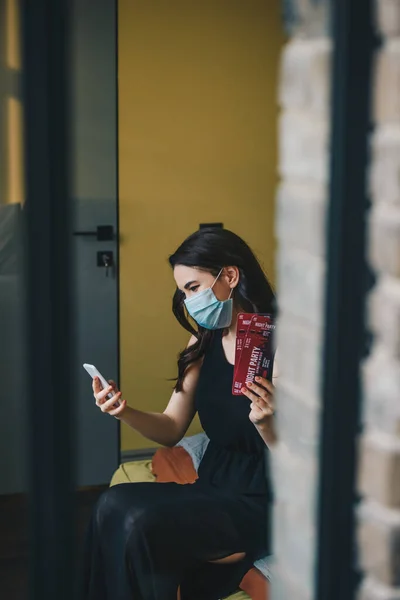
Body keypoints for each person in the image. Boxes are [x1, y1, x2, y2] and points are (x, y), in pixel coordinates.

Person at [82, 228, 277, 600]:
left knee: (140, 521)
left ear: (230, 277)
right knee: (112, 504)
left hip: (262, 498)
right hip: (213, 487)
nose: (188, 302)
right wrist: (123, 411)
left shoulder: (278, 343)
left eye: (192, 288)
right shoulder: (203, 340)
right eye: (183, 292)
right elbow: (171, 428)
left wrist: (268, 424)